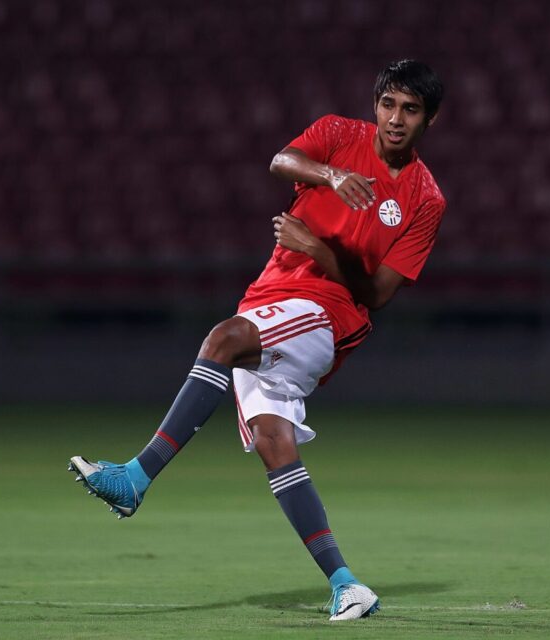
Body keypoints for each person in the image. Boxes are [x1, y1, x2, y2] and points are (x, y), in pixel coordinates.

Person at [69, 59, 445, 621]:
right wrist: (332, 176)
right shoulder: (339, 136)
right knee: (274, 442)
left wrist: (320, 252)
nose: (396, 118)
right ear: (375, 106)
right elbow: (281, 161)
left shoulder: (424, 198)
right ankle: (347, 584)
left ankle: (135, 477)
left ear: (429, 120)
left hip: (328, 315)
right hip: (269, 296)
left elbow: (380, 293)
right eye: (389, 104)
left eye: (411, 110)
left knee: (222, 340)